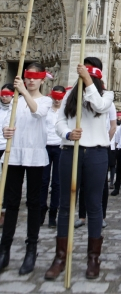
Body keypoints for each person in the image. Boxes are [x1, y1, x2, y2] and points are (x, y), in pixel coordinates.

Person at [44, 57, 113, 281]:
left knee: (93, 206)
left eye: (91, 76)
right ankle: (60, 257)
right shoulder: (69, 96)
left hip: (96, 153)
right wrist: (67, 134)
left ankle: (93, 258)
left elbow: (100, 107)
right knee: (66, 204)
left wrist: (87, 82)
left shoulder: (106, 95)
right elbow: (60, 121)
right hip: (70, 152)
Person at [0, 64, 52, 275]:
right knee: (11, 204)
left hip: (35, 156)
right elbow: (7, 125)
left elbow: (37, 112)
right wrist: (6, 130)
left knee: (34, 203)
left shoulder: (46, 100)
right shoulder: (15, 103)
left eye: (34, 77)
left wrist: (21, 92)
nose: (30, 81)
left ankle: (31, 249)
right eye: (27, 77)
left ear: (42, 80)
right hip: (14, 155)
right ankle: (5, 249)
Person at [40, 85, 66, 228]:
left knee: (56, 182)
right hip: (45, 146)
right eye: (55, 98)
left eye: (60, 98)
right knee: (43, 181)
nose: (57, 101)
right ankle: (41, 209)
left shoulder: (65, 111)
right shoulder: (46, 110)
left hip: (60, 147)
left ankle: (53, 213)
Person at [0, 84, 15, 228]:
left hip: (8, 147)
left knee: (7, 179)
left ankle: (4, 207)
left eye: (8, 94)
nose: (5, 96)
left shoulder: (16, 108)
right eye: (2, 94)